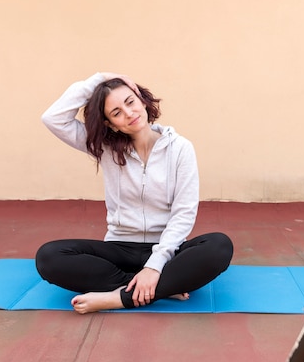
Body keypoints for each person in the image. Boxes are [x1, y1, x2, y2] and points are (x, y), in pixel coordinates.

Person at [35, 71, 233, 314]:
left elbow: (184, 213)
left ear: (141, 100)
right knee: (49, 257)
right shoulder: (105, 148)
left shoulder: (180, 148)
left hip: (167, 249)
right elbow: (53, 118)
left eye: (130, 102)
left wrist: (155, 265)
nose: (129, 113)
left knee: (219, 246)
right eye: (116, 112)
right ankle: (160, 286)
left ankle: (119, 297)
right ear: (110, 124)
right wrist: (100, 80)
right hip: (119, 248)